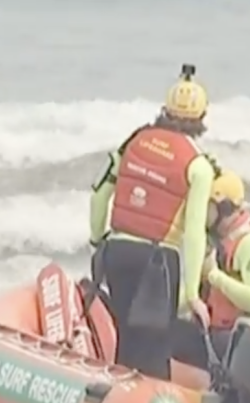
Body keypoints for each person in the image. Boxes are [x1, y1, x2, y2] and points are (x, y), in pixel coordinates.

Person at [86, 63, 220, 381]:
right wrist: (192, 294)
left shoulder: (132, 142)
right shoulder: (198, 165)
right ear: (201, 118)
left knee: (122, 341)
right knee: (153, 352)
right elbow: (194, 232)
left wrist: (97, 240)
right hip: (157, 264)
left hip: (116, 251)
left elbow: (100, 194)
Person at [171, 171, 250, 367]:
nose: (202, 214)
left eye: (207, 207)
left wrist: (214, 276)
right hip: (215, 333)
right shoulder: (219, 245)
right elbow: (193, 294)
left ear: (225, 208)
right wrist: (165, 307)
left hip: (239, 342)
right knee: (164, 330)